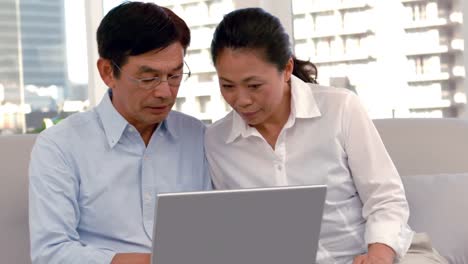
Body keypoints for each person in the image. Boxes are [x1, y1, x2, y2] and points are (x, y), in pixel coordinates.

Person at [205, 7, 447, 264]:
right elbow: (234, 230)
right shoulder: (217, 141)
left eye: (254, 86)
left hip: (381, 253)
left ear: (286, 69)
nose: (241, 100)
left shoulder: (340, 108)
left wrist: (378, 255)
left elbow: (385, 198)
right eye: (227, 86)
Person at [29, 2, 211, 264]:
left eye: (175, 75)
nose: (165, 92)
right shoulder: (60, 145)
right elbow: (51, 253)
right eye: (148, 78)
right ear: (107, 72)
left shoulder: (198, 136)